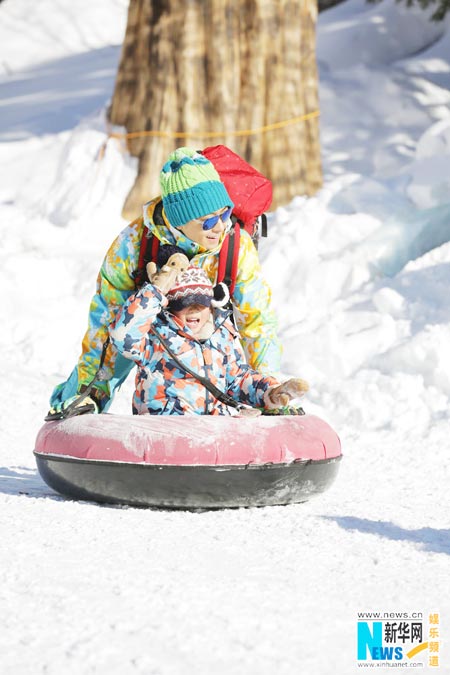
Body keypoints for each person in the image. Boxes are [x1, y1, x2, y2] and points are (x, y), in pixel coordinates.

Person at [48, 146, 283, 417]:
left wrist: (268, 389)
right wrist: (91, 391)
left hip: (211, 331)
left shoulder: (236, 246)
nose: (220, 227)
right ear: (180, 219)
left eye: (225, 213)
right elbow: (105, 327)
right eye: (208, 221)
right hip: (146, 329)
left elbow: (258, 321)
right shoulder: (132, 246)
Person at [109, 264, 307, 415]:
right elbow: (122, 336)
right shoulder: (155, 337)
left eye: (201, 303)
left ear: (211, 306)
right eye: (185, 303)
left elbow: (237, 380)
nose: (194, 309)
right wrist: (156, 291)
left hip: (212, 435)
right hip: (165, 432)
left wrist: (269, 391)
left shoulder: (221, 337)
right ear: (169, 306)